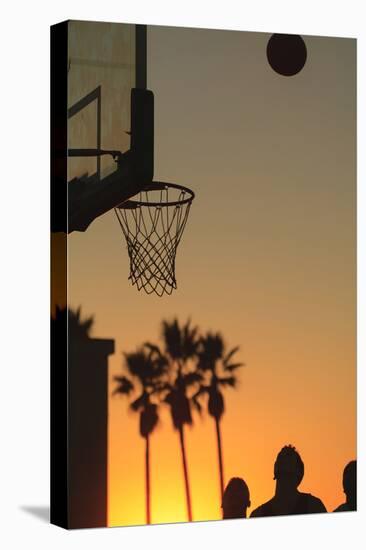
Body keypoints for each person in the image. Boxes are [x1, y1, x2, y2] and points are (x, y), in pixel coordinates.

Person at [250, 445, 327, 517]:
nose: (285, 463)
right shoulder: (258, 514)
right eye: (282, 459)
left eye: (289, 459)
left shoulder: (313, 507)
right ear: (275, 468)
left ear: (299, 473)